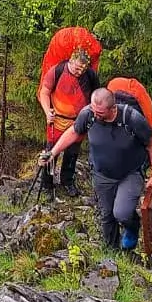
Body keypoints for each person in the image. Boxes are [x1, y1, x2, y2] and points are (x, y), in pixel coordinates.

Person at [41, 86, 152, 251]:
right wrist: (53, 153)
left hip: (130, 173)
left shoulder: (131, 118)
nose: (96, 115)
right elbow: (74, 132)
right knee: (107, 215)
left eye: (100, 113)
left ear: (113, 109)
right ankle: (113, 251)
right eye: (93, 110)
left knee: (122, 213)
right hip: (102, 174)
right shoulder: (88, 114)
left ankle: (132, 226)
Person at [37, 45, 99, 196]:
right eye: (77, 69)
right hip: (57, 120)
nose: (79, 72)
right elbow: (44, 91)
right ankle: (47, 184)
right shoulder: (57, 71)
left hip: (78, 122)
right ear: (71, 61)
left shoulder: (90, 75)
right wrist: (47, 111)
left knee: (72, 153)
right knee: (51, 151)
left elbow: (96, 95)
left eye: (82, 69)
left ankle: (67, 181)